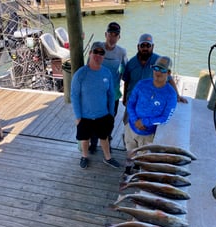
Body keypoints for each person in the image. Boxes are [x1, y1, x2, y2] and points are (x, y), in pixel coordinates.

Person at [71, 41, 120, 170]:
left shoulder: (107, 73)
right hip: (85, 116)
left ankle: (108, 158)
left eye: (101, 53)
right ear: (90, 53)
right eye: (95, 52)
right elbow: (74, 96)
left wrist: (110, 113)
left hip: (103, 114)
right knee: (85, 139)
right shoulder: (80, 74)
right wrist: (78, 116)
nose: (98, 55)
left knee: (104, 138)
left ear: (104, 56)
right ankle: (84, 156)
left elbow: (111, 94)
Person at [124, 56, 177, 174]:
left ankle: (138, 169)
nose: (158, 72)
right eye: (156, 68)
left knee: (143, 157)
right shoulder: (141, 84)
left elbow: (165, 118)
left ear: (168, 73)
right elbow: (130, 103)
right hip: (131, 128)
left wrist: (144, 122)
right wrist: (134, 119)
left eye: (162, 69)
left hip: (148, 134)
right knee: (129, 151)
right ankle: (127, 169)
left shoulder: (171, 95)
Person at [122, 33, 187, 125]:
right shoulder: (131, 63)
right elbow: (126, 82)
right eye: (142, 45)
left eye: (148, 45)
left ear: (152, 46)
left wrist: (177, 95)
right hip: (132, 100)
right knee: (128, 123)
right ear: (138, 47)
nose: (145, 48)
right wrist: (125, 98)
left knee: (146, 125)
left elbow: (169, 79)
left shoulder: (159, 61)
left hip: (150, 101)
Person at [89, 22, 127, 154]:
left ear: (119, 37)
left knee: (109, 120)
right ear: (106, 34)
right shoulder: (97, 47)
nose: (112, 37)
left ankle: (106, 142)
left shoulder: (121, 52)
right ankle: (93, 143)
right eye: (110, 34)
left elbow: (125, 71)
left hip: (113, 95)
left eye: (115, 35)